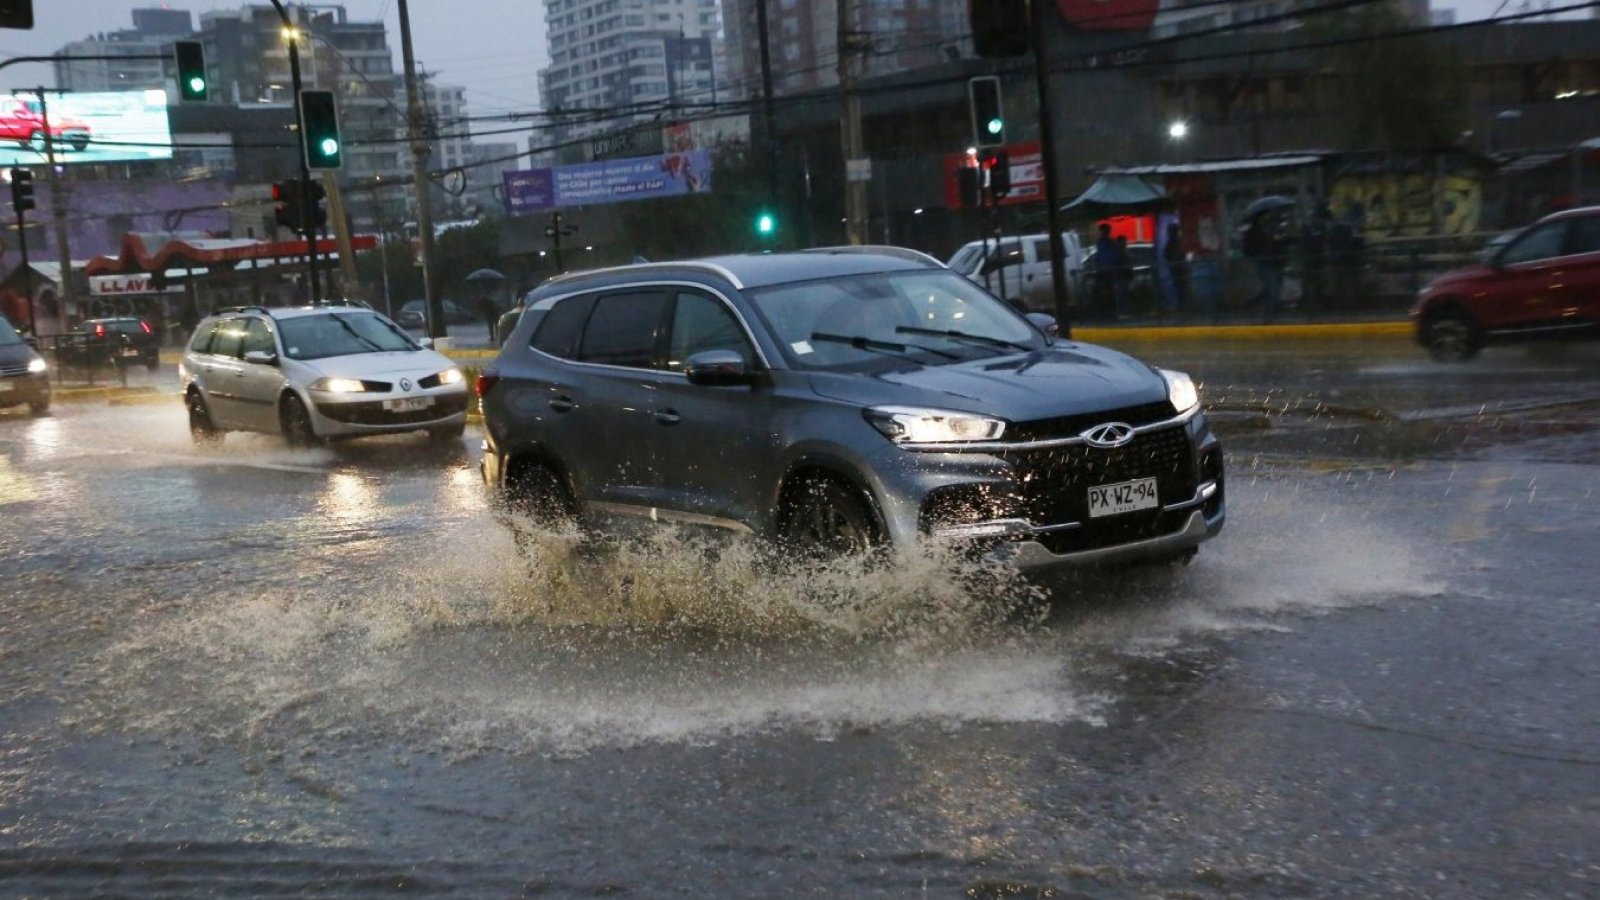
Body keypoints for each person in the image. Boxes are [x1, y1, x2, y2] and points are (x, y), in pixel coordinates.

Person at [1243, 213, 1287, 322]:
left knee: (1273, 286)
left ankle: (1253, 303)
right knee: (1272, 288)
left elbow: (1278, 243)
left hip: (1274, 261)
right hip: (1264, 262)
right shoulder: (1254, 231)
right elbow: (1249, 248)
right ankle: (1269, 316)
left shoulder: (1270, 229)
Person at [1161, 221, 1189, 317]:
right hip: (1179, 269)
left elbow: (1167, 255)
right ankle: (1183, 307)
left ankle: (1183, 307)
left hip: (1178, 269)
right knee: (1181, 289)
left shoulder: (1174, 242)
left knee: (1181, 289)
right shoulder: (1176, 242)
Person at [1092, 223, 1117, 321]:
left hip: (1107, 271)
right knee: (1101, 293)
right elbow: (1099, 256)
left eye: (1105, 231)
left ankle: (1110, 314)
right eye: (1102, 231)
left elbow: (1112, 256)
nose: (1104, 233)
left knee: (1109, 293)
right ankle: (1103, 314)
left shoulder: (1110, 242)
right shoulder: (1100, 242)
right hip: (1101, 271)